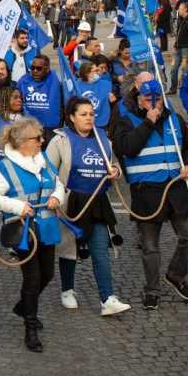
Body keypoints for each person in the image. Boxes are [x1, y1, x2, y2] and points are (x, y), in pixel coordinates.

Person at [113, 73, 188, 309]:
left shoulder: (174, 119)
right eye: (148, 98)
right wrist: (148, 123)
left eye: (158, 98)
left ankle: (175, 275)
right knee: (150, 247)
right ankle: (152, 290)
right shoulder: (126, 120)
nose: (154, 103)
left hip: (176, 190)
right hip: (147, 193)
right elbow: (127, 148)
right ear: (139, 99)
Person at [0, 117, 67, 352]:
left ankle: (23, 307)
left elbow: (58, 184)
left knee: (47, 275)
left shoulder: (43, 160)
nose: (42, 141)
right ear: (22, 141)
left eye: (42, 137)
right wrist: (17, 207)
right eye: (37, 138)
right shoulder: (5, 168)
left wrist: (57, 197)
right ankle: (30, 327)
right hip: (24, 232)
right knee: (32, 279)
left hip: (47, 228)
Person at [44, 98, 131, 317]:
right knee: (69, 248)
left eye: (91, 114)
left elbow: (115, 164)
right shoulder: (60, 140)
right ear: (72, 117)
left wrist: (115, 171)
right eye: (83, 114)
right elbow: (48, 172)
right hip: (70, 201)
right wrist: (53, 197)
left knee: (100, 249)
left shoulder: (103, 139)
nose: (89, 118)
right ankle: (67, 290)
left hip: (97, 201)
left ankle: (107, 298)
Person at [16, 55, 62, 142]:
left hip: (51, 130)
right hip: (29, 128)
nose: (35, 71)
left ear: (47, 69)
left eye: (39, 68)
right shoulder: (23, 81)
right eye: (32, 68)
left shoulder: (56, 81)